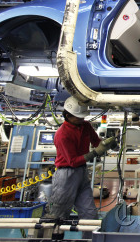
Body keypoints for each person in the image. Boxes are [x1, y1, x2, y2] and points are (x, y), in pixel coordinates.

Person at [48, 97, 116, 238]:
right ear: (67, 116)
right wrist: (95, 153)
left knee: (90, 213)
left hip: (81, 173)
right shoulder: (62, 135)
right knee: (60, 214)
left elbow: (96, 141)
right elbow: (72, 161)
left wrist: (108, 144)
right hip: (66, 175)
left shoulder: (85, 126)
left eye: (82, 117)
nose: (81, 120)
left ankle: (89, 239)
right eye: (78, 118)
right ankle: (55, 238)